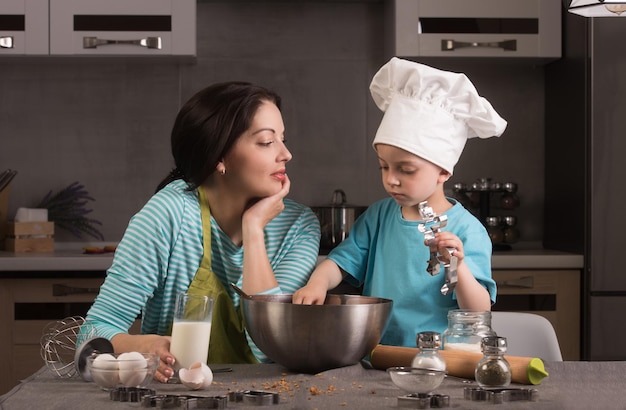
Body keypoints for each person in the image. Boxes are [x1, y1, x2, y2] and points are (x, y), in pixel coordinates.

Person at [84, 81, 321, 383]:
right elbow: (93, 332)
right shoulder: (168, 215)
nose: (286, 154)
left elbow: (269, 348)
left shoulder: (299, 226)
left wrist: (253, 231)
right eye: (266, 142)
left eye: (283, 140)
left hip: (268, 396)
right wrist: (140, 345)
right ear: (219, 157)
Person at [293, 57, 507, 348]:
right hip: (374, 354)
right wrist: (317, 282)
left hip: (436, 360)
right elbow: (339, 263)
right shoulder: (379, 216)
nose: (391, 179)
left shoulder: (468, 231)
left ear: (443, 170)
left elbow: (478, 310)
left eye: (405, 170)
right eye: (384, 166)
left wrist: (457, 267)